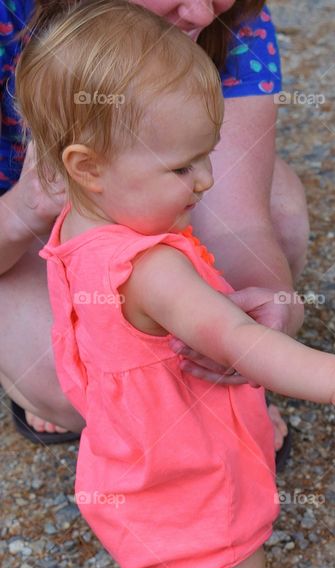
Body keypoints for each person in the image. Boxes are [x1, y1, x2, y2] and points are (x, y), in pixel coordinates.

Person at [16, 1, 335, 568]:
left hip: (133, 478)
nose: (204, 181)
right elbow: (240, 340)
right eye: (182, 167)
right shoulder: (152, 271)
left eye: (205, 156)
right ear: (87, 167)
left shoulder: (75, 231)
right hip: (195, 489)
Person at [0, 0, 306, 460]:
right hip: (16, 228)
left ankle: (204, 396)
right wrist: (25, 210)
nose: (203, 14)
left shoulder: (233, 19)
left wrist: (265, 314)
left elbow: (240, 222)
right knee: (65, 381)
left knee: (278, 206)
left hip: (122, 188)